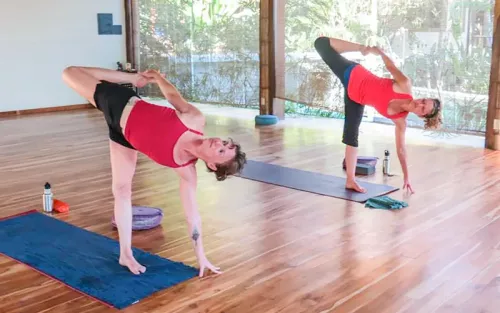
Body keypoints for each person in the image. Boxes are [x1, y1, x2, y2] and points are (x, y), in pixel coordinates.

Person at [62, 66, 247, 277]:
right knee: (69, 73)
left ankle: (125, 254)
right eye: (224, 143)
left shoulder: (186, 170)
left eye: (221, 150)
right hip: (120, 104)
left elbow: (192, 217)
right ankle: (133, 78)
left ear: (213, 165)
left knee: (121, 191)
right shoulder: (195, 120)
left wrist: (201, 256)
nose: (218, 143)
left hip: (123, 138)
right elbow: (172, 96)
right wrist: (157, 77)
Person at [314, 36, 442, 194]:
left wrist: (406, 177)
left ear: (421, 116)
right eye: (423, 100)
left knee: (351, 136)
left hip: (355, 98)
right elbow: (390, 66)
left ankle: (350, 181)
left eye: (423, 109)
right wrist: (379, 52)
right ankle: (360, 47)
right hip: (353, 74)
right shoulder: (404, 85)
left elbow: (401, 150)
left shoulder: (400, 121)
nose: (420, 104)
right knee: (321, 43)